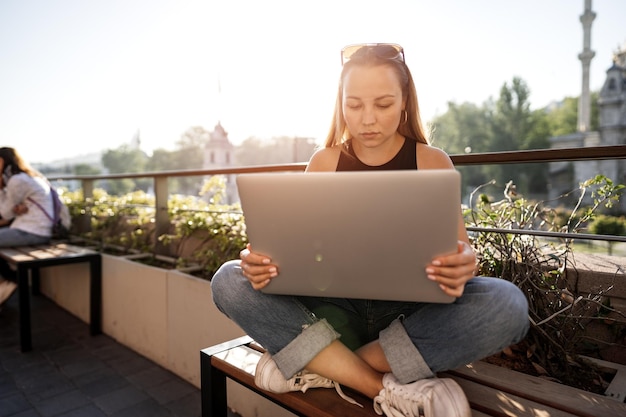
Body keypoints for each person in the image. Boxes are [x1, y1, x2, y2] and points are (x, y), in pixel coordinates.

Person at [210, 43, 529, 417]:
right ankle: (376, 385)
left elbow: (461, 256)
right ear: (340, 103)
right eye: (354, 104)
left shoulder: (432, 161)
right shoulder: (324, 162)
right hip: (333, 310)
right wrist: (263, 264)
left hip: (407, 318)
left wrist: (464, 264)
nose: (367, 120)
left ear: (405, 103)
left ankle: (323, 365)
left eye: (383, 104)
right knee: (228, 280)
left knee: (507, 305)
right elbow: (299, 253)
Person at [0, 147, 54, 307]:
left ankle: (10, 280)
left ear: (4, 162)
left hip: (32, 231)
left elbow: (5, 213)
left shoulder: (17, 181)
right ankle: (9, 280)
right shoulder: (26, 177)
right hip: (28, 228)